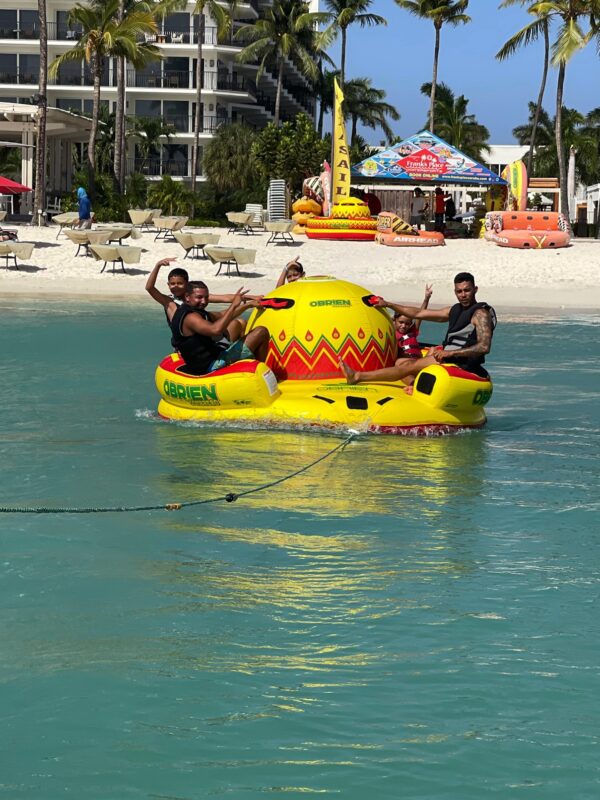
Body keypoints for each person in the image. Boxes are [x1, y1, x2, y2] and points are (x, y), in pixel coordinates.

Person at [340, 272, 496, 387]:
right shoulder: (454, 310)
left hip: (464, 363)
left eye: (467, 290)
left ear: (475, 289)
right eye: (459, 291)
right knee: (406, 366)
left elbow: (484, 347)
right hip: (448, 357)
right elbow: (419, 313)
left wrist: (450, 353)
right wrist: (388, 304)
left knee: (408, 366)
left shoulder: (480, 313)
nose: (463, 295)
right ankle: (359, 376)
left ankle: (358, 376)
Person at [145, 258, 261, 342]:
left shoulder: (198, 298)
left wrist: (252, 298)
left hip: (204, 335)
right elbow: (149, 288)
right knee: (236, 323)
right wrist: (158, 265)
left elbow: (226, 298)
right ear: (168, 285)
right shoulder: (169, 302)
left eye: (179, 283)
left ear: (187, 284)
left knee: (242, 322)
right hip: (187, 341)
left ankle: (242, 354)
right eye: (172, 284)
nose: (175, 286)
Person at [170, 281, 269, 375]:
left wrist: (249, 305)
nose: (204, 301)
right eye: (199, 297)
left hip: (209, 356)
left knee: (236, 324)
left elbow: (222, 315)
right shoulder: (190, 317)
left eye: (206, 297)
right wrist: (234, 305)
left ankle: (245, 363)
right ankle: (261, 374)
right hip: (211, 366)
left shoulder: (190, 310)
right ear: (187, 297)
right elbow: (215, 330)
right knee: (261, 332)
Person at [393, 283, 433, 361]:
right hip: (405, 363)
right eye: (401, 322)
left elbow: (421, 314)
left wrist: (426, 298)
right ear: (395, 320)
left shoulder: (412, 331)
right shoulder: (392, 334)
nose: (404, 326)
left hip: (418, 361)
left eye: (407, 324)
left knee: (433, 349)